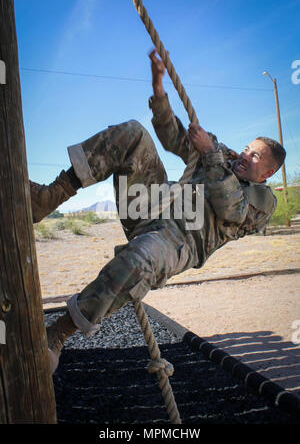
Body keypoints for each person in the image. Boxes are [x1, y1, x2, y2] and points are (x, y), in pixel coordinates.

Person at [30, 50, 286, 373]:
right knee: (134, 134)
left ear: (266, 174)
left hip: (178, 241)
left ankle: (57, 335)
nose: (245, 155)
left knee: (140, 259)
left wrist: (210, 154)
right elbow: (173, 137)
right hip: (153, 204)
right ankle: (49, 196)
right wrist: (159, 89)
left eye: (255, 158)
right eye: (248, 149)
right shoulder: (219, 152)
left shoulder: (263, 200)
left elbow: (231, 208)